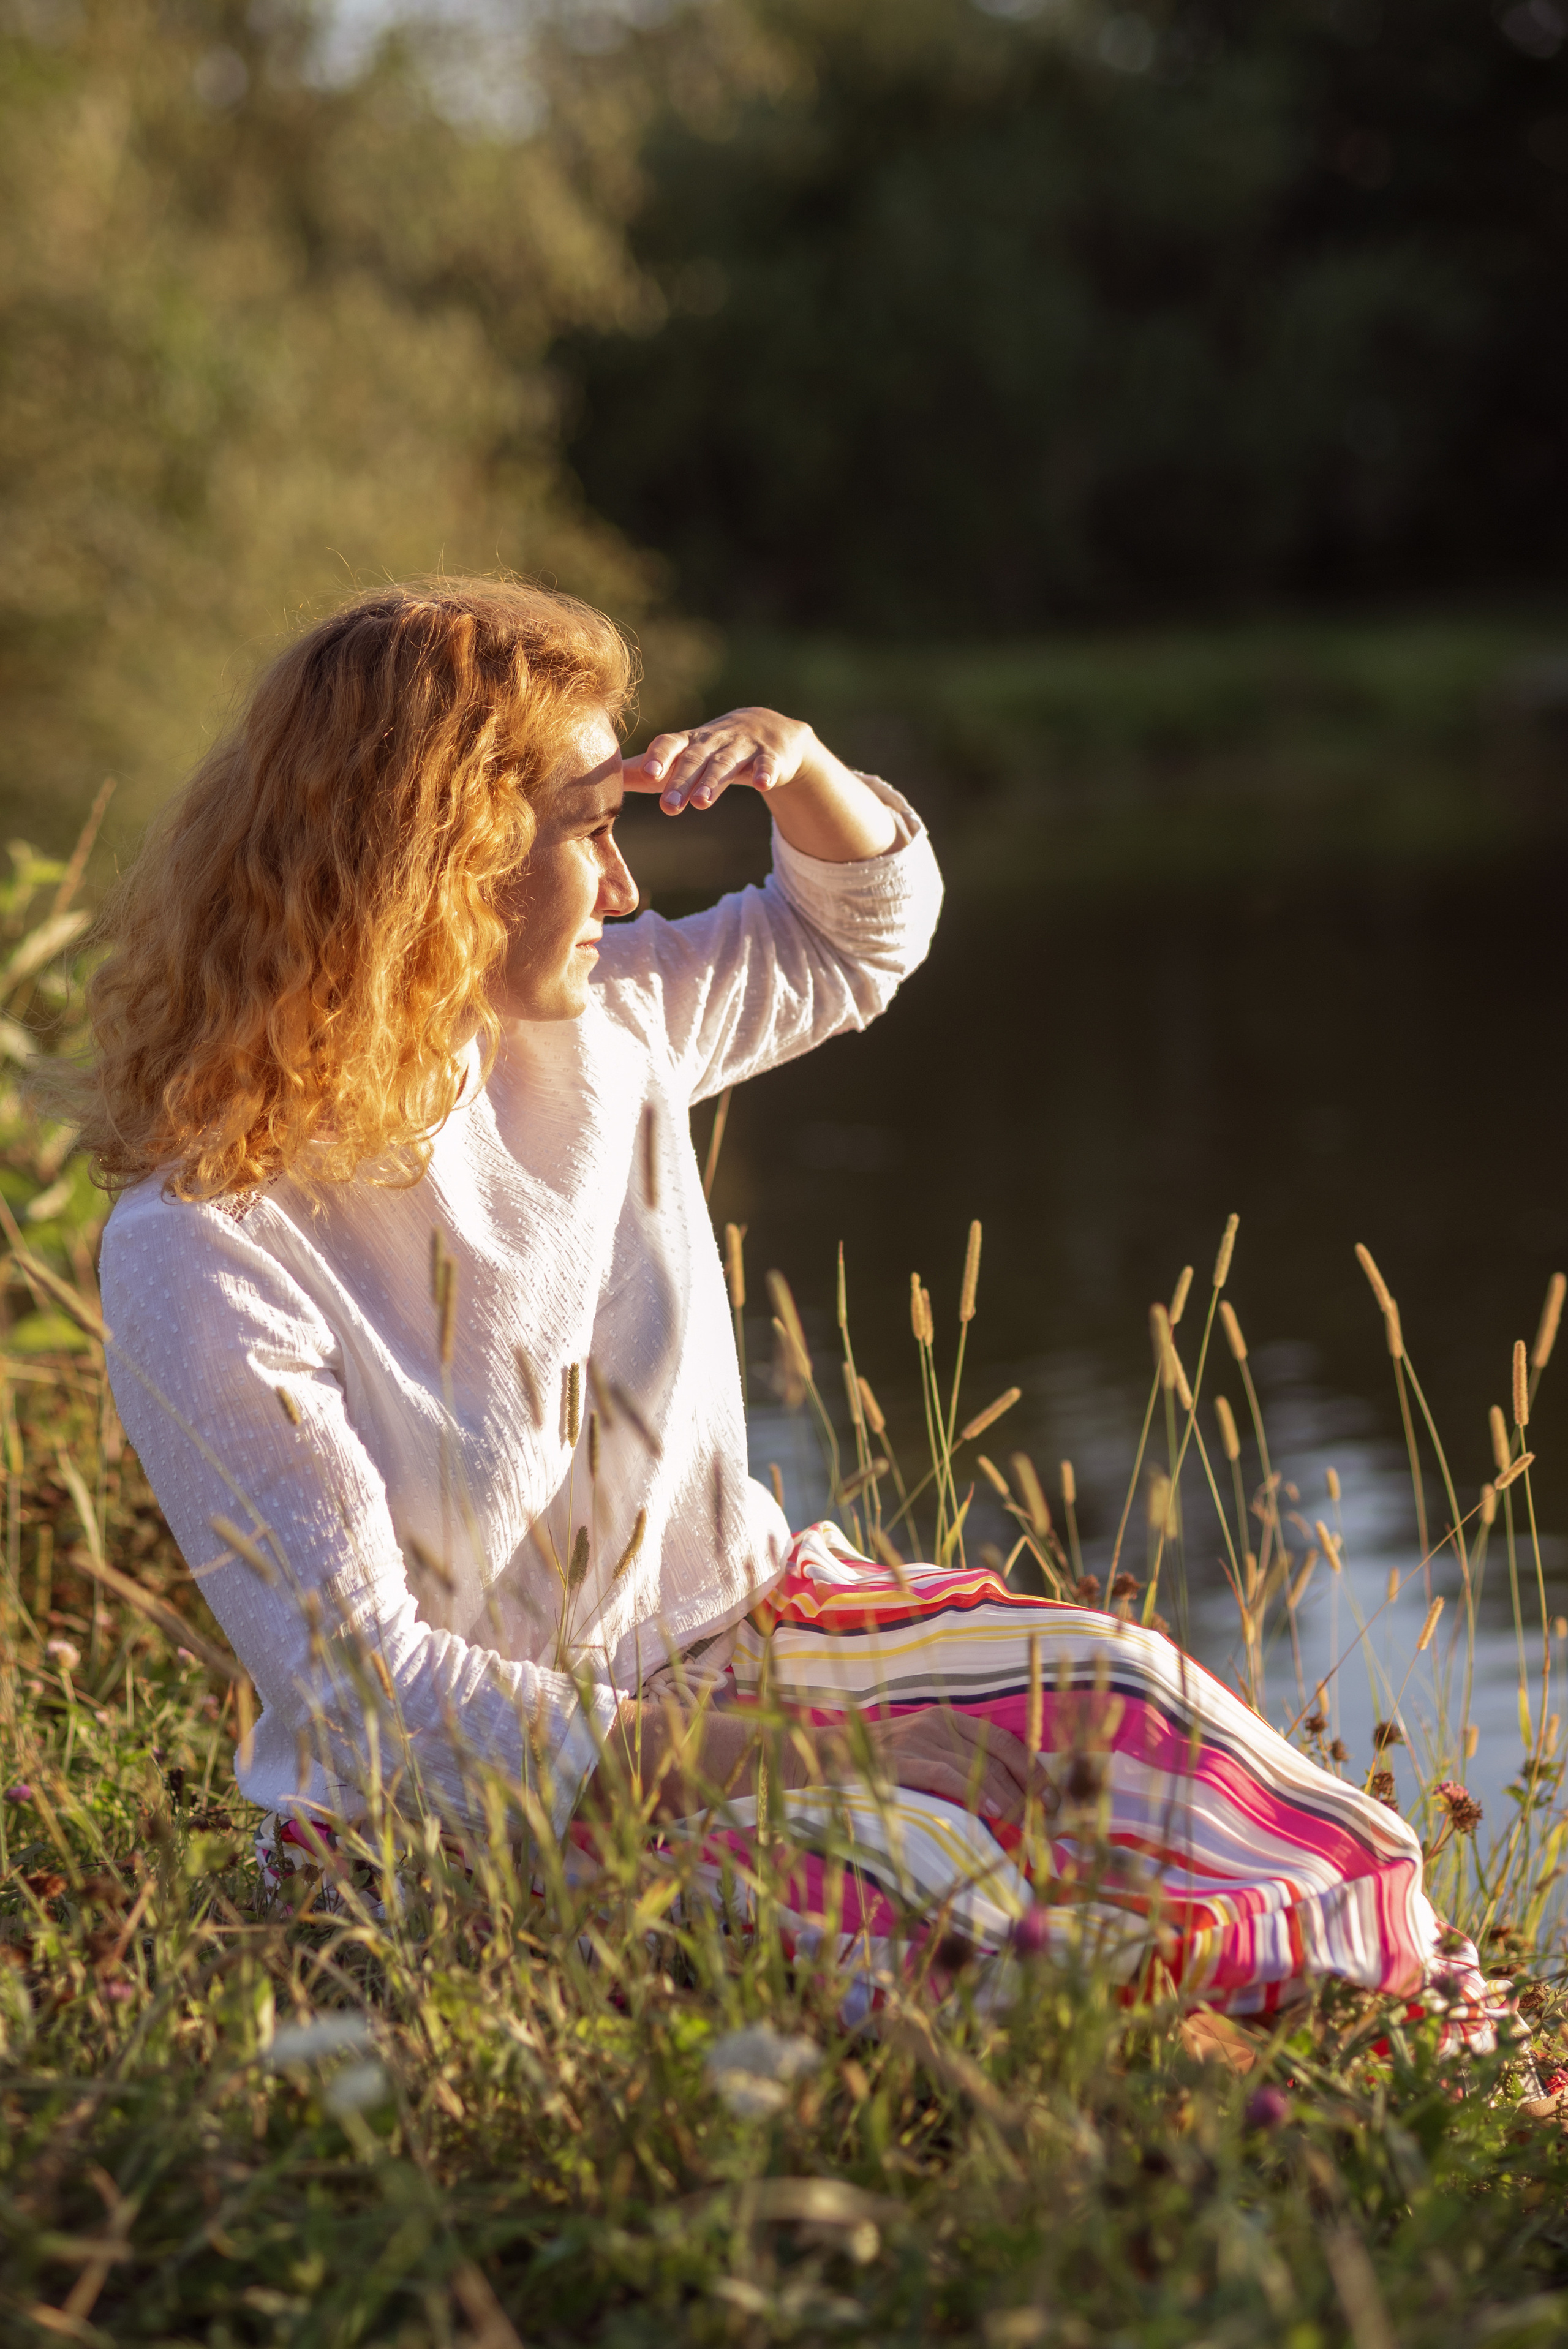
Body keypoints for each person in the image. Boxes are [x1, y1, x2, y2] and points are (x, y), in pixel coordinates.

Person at [86, 577, 1504, 2043]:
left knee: (1126, 1703)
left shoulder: (603, 1024)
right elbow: (367, 1691)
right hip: (473, 1802)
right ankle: (1179, 2129)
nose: (628, 888)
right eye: (589, 828)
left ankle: (1428, 2062)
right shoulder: (202, 1243)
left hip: (753, 1636)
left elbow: (852, 942)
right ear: (439, 859)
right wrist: (800, 1765)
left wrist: (802, 772)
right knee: (917, 1883)